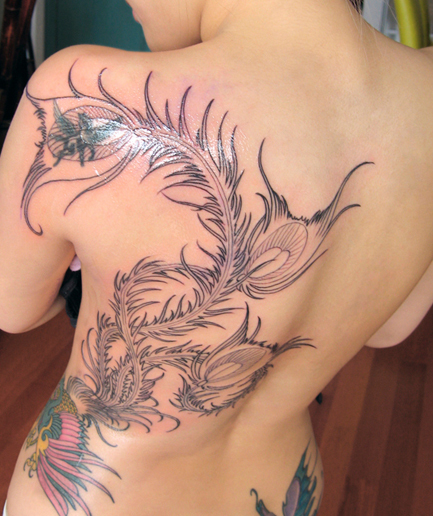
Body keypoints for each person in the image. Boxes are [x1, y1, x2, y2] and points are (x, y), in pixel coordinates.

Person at [1, 0, 433, 514]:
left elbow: (10, 306)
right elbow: (390, 327)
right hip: (280, 495)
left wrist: (91, 272)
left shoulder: (81, 101)